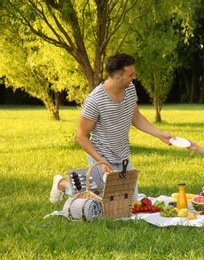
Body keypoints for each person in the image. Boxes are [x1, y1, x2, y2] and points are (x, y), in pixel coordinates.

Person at [50, 53, 174, 203]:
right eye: (131, 74)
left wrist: (159, 134)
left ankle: (74, 187)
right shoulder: (94, 101)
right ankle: (62, 185)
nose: (134, 77)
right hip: (101, 156)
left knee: (129, 202)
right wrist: (101, 162)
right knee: (103, 203)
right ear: (117, 78)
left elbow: (136, 117)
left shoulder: (130, 89)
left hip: (123, 157)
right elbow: (80, 136)